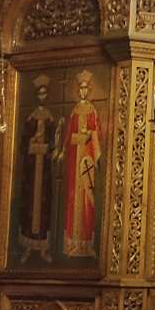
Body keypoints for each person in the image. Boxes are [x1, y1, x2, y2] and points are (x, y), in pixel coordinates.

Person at [59, 70, 101, 258]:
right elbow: (69, 134)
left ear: (89, 90)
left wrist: (89, 135)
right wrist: (63, 149)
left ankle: (85, 243)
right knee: (73, 198)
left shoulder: (92, 111)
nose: (83, 91)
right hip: (74, 161)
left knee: (86, 200)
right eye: (81, 89)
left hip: (86, 161)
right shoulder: (74, 111)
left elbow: (97, 133)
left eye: (86, 88)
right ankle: (72, 244)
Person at [19, 76, 57, 262]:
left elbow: (54, 142)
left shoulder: (50, 118)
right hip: (32, 170)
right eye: (39, 93)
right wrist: (32, 142)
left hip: (44, 170)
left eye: (45, 93)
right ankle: (27, 247)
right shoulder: (31, 118)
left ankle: (43, 248)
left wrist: (49, 147)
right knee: (30, 206)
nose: (42, 96)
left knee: (43, 206)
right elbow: (23, 143)